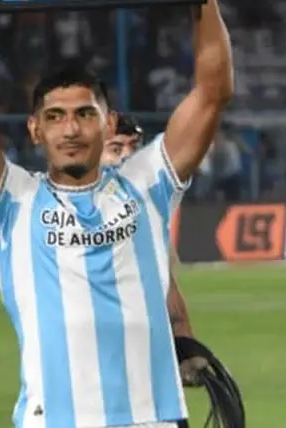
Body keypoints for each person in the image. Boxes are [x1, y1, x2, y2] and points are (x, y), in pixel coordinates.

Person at [0, 0, 234, 428]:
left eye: (84, 115)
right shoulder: (14, 200)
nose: (70, 130)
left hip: (155, 420)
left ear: (108, 123)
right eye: (54, 117)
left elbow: (213, 92)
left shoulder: (147, 184)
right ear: (35, 130)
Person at [102, 115, 206, 382]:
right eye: (116, 149)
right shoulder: (53, 205)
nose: (127, 156)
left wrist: (184, 336)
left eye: (134, 147)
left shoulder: (148, 197)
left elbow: (164, 276)